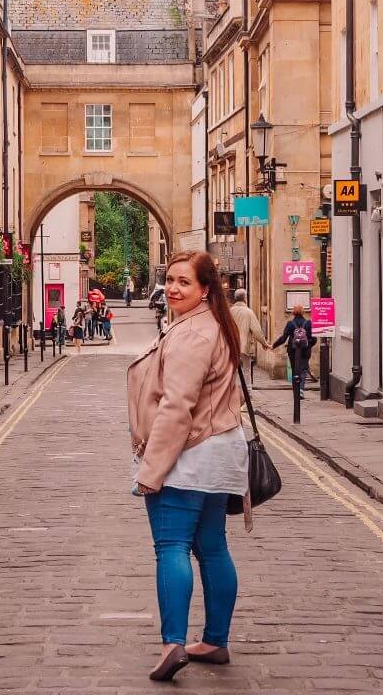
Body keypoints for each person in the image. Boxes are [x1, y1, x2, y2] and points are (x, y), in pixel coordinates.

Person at [128, 250, 247, 682]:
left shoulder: (193, 335)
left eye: (184, 282)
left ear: (205, 290)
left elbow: (177, 408)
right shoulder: (210, 325)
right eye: (171, 280)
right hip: (219, 452)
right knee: (212, 546)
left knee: (172, 546)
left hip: (190, 455)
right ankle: (215, 641)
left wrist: (151, 471)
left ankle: (172, 643)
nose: (174, 288)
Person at [272, 305, 315, 398]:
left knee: (295, 370)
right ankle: (301, 390)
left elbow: (283, 338)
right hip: (305, 351)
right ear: (303, 312)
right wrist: (308, 345)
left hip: (293, 351)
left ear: (293, 313)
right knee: (303, 369)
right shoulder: (308, 323)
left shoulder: (290, 323)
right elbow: (314, 339)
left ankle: (296, 391)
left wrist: (273, 346)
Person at [229, 289, 269, 384]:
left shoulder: (229, 312)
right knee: (247, 370)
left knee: (232, 370)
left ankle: (232, 390)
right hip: (245, 345)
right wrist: (264, 343)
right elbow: (257, 330)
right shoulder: (248, 312)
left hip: (232, 345)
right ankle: (248, 391)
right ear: (245, 299)